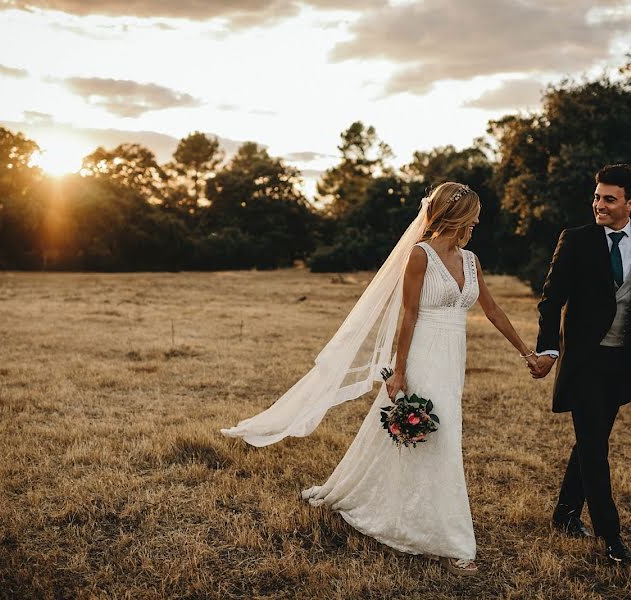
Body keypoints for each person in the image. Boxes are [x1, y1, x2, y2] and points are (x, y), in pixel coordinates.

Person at [223, 182, 536, 575]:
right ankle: (448, 540)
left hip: (452, 359)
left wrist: (526, 351)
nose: (478, 221)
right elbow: (409, 316)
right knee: (438, 436)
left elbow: (491, 309)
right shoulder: (420, 256)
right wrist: (400, 371)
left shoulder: (471, 260)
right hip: (423, 356)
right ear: (458, 216)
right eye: (474, 215)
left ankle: (406, 508)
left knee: (436, 434)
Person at [530, 163, 631, 565]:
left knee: (592, 442)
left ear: (630, 203)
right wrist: (549, 350)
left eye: (609, 198)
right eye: (596, 197)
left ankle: (565, 513)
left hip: (621, 362)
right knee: (593, 447)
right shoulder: (575, 240)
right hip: (585, 361)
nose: (599, 205)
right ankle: (611, 535)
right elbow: (551, 301)